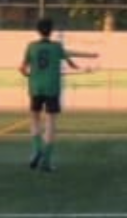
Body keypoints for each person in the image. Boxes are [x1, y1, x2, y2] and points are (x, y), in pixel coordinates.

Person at [19, 17, 98, 172]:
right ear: (51, 31)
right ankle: (46, 161)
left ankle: (37, 150)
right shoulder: (57, 47)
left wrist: (29, 75)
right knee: (50, 123)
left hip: (35, 87)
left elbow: (22, 68)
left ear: (38, 30)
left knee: (34, 119)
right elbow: (71, 64)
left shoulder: (31, 46)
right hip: (52, 88)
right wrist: (84, 69)